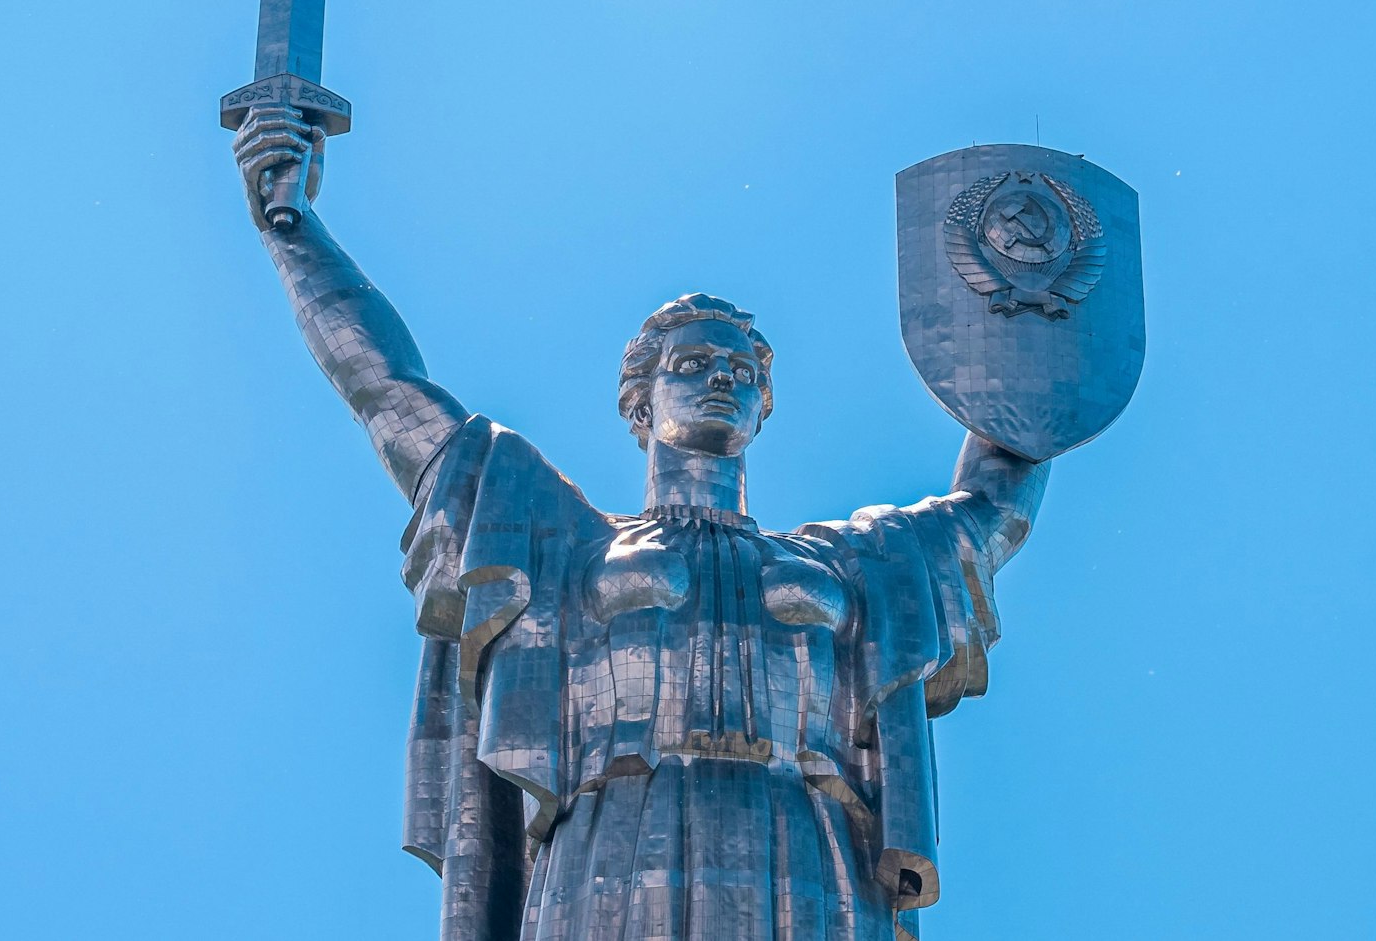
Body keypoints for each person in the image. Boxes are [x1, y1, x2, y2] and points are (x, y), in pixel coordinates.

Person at [232, 106, 1050, 941]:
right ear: (640, 399)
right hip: (616, 841)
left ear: (765, 407)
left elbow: (993, 507)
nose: (720, 379)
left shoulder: (853, 564)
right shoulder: (563, 542)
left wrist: (1033, 328)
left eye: (740, 370)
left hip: (812, 848)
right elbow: (393, 397)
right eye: (692, 365)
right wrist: (290, 227)